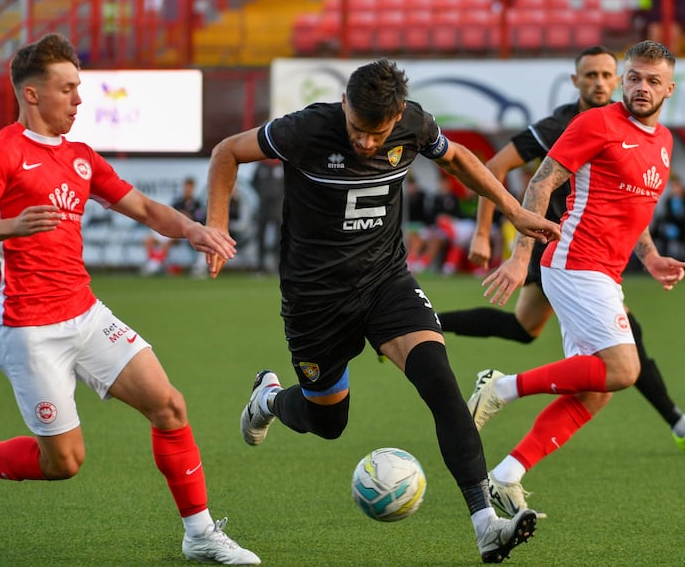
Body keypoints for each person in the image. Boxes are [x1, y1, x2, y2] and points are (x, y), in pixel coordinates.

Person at [205, 58, 562, 563]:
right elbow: (227, 152)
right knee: (328, 421)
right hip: (315, 299)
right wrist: (217, 226)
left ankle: (486, 524)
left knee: (441, 385)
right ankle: (267, 400)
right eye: (357, 130)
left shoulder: (414, 122)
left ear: (396, 118)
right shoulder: (305, 128)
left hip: (385, 282)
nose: (366, 144)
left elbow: (457, 158)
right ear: (344, 104)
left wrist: (514, 210)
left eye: (378, 134)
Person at [0, 33, 259, 566]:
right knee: (63, 462)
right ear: (32, 95)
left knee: (169, 405)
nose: (79, 100)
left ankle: (199, 534)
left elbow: (147, 209)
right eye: (68, 90)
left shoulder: (81, 158)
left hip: (85, 314)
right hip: (28, 329)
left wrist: (196, 230)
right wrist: (12, 224)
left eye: (79, 88)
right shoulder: (2, 152)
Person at [466, 40, 685, 518]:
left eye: (652, 80)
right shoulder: (595, 123)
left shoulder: (664, 143)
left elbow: (634, 211)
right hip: (572, 261)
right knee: (624, 369)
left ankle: (507, 475)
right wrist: (522, 255)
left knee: (598, 390)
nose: (640, 87)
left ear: (671, 88)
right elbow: (540, 183)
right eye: (634, 78)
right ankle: (499, 388)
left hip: (606, 272)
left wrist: (649, 258)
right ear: (624, 79)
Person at [249, 159, 285, 274]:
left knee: (279, 237)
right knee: (260, 237)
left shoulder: (282, 165)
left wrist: (281, 196)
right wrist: (262, 193)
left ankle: (278, 265)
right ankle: (260, 267)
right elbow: (253, 182)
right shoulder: (261, 166)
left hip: (278, 207)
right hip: (263, 207)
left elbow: (290, 183)